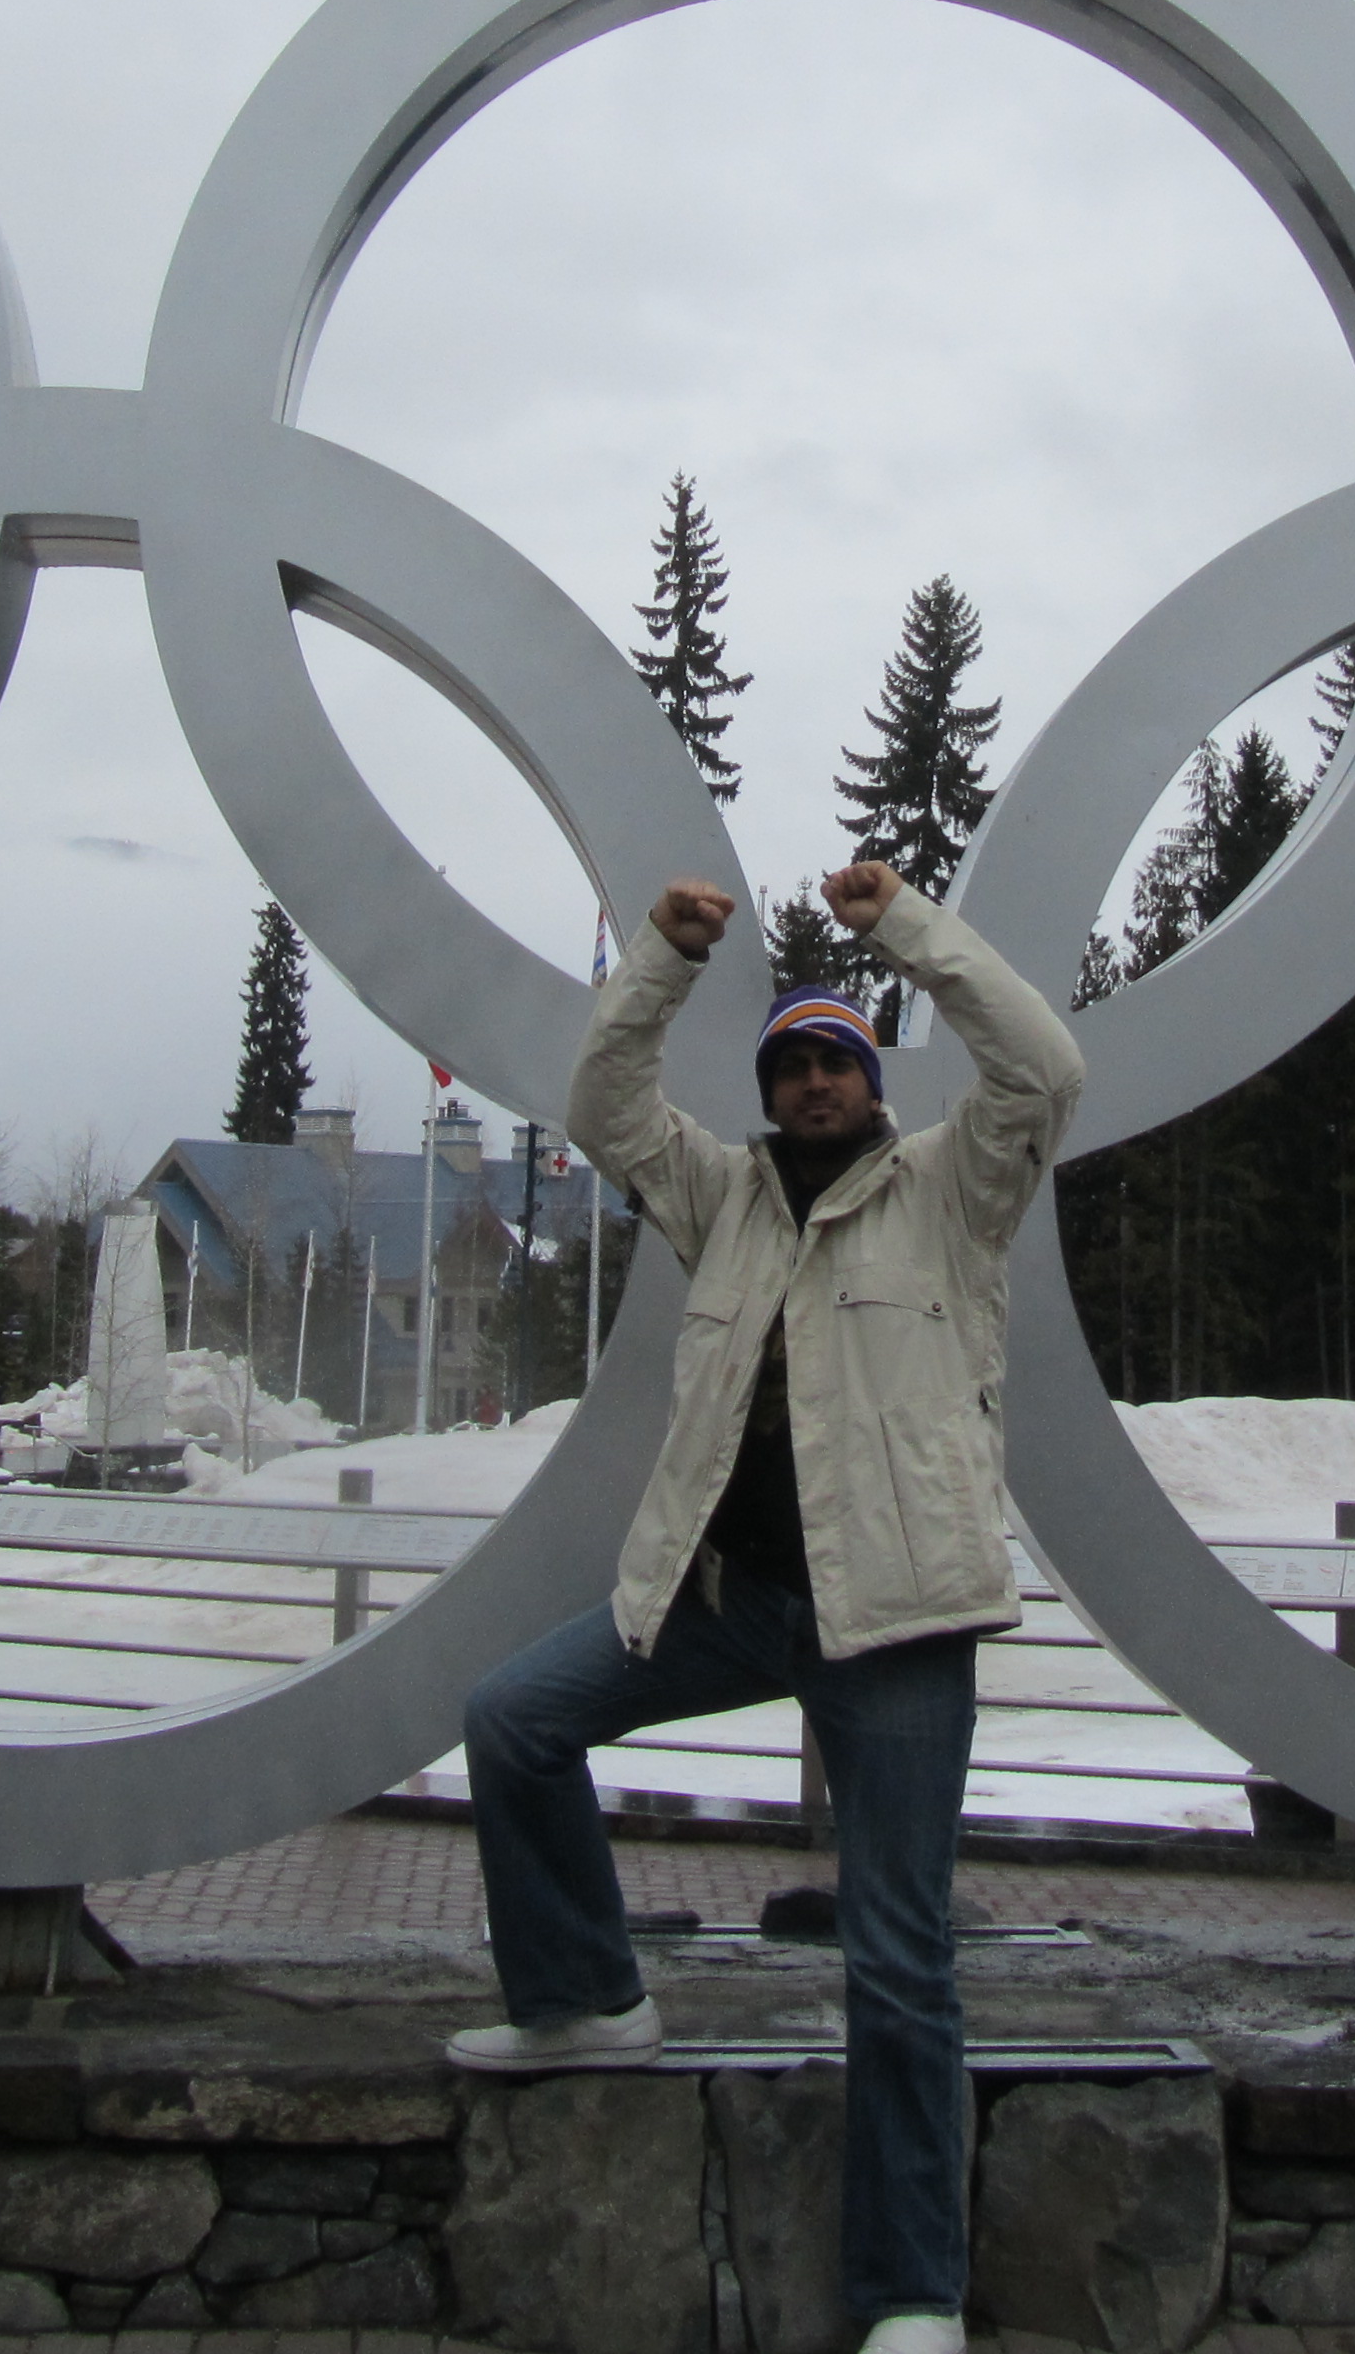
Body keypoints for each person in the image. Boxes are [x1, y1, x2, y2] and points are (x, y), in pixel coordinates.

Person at [455, 856, 1083, 2354]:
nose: (812, 1082)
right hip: (730, 1598)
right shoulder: (721, 1198)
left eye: (835, 1063)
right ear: (769, 1090)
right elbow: (604, 1106)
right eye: (791, 1065)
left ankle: (913, 2293)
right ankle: (585, 1996)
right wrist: (662, 962)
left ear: (872, 1084)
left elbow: (1044, 1067)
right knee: (514, 1722)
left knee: (898, 1954)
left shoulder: (954, 1191)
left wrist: (905, 928)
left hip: (900, 1626)